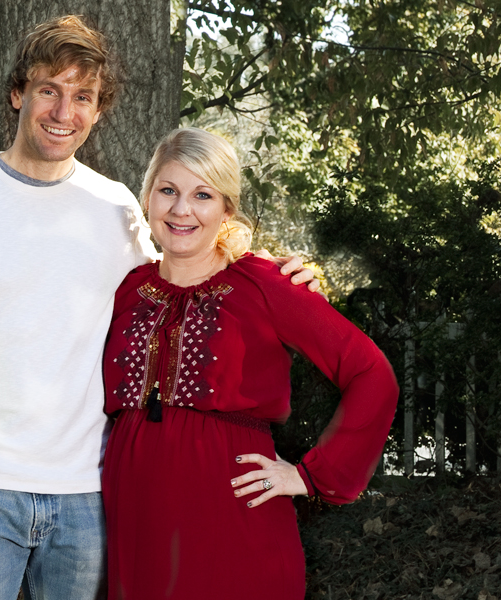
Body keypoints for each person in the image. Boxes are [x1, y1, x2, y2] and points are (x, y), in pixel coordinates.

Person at [0, 16, 317, 599]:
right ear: (17, 94)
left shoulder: (117, 211)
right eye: (48, 91)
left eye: (81, 96)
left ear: (98, 109)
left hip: (90, 495)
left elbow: (186, 273)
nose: (64, 112)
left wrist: (282, 276)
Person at [100, 127, 399, 599]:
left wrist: (308, 475)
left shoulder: (265, 282)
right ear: (148, 198)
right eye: (168, 191)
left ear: (226, 209)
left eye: (203, 194)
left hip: (232, 516)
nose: (182, 210)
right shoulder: (127, 290)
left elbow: (371, 374)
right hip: (135, 522)